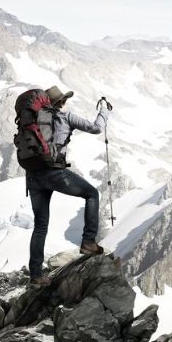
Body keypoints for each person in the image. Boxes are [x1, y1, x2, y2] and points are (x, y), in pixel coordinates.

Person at [25, 85, 112, 287]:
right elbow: (96, 128)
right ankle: (89, 242)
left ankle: (36, 276)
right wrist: (104, 111)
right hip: (55, 172)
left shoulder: (34, 120)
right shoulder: (66, 117)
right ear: (61, 102)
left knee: (40, 226)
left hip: (33, 176)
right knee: (91, 194)